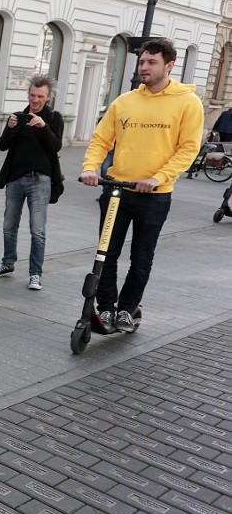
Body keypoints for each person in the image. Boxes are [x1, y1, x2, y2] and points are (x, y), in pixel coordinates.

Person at [80, 38, 203, 333]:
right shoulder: (124, 102)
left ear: (169, 66)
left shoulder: (188, 103)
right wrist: (89, 169)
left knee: (142, 257)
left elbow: (188, 148)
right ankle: (106, 309)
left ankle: (127, 309)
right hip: (116, 191)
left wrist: (158, 178)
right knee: (106, 254)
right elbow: (100, 140)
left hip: (154, 196)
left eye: (151, 62)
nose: (144, 67)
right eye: (142, 62)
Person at [0, 74, 64, 290]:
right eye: (32, 95)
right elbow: (3, 146)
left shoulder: (54, 118)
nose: (35, 100)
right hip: (15, 179)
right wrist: (10, 127)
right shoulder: (18, 117)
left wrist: (43, 127)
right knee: (9, 225)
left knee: (37, 229)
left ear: (48, 98)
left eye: (40, 96)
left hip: (40, 180)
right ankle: (7, 264)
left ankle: (35, 274)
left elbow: (56, 146)